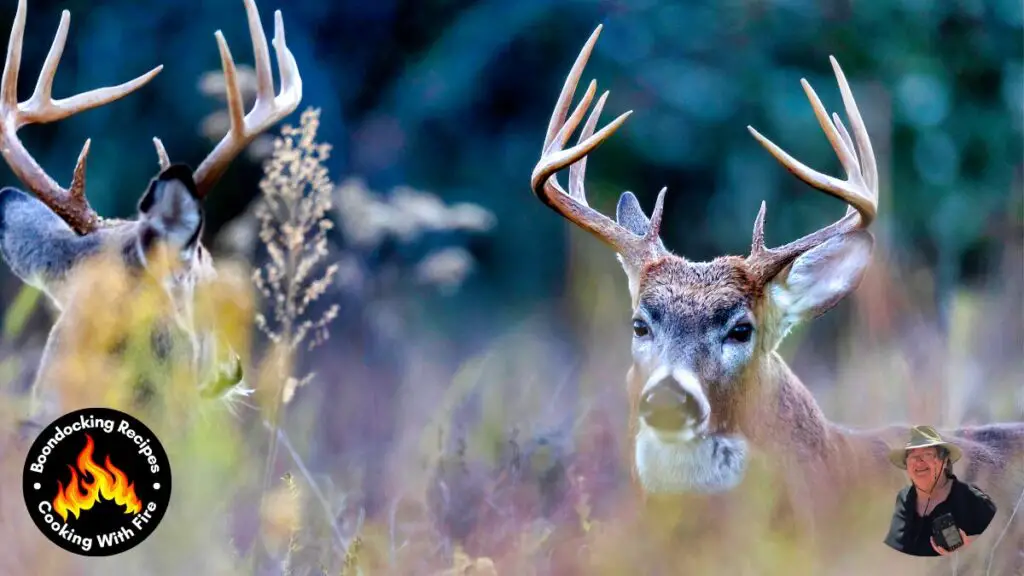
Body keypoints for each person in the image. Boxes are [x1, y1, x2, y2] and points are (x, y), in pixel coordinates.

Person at [883, 425, 998, 556]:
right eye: (913, 456)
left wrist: (971, 545)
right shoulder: (904, 499)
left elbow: (1001, 540)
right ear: (906, 465)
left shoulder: (971, 498)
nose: (919, 462)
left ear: (944, 462)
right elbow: (895, 548)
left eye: (927, 454)